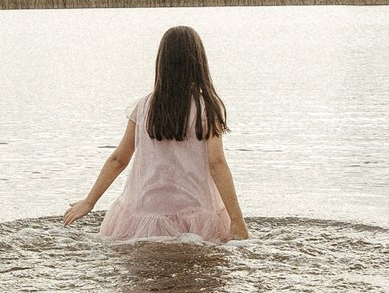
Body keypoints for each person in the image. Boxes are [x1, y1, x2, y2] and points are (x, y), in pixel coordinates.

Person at [61, 24, 250, 242]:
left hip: (145, 211)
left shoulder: (143, 107)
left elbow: (119, 159)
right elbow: (217, 164)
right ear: (198, 63)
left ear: (162, 64)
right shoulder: (207, 108)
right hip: (194, 212)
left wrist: (89, 201)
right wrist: (237, 220)